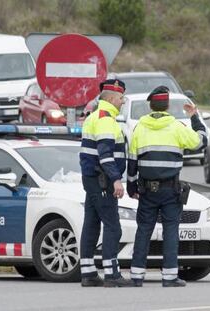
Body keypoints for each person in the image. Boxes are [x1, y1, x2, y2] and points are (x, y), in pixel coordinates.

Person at [127, 86, 207, 287]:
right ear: (168, 106)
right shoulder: (177, 127)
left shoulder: (139, 128)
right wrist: (195, 117)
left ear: (150, 105)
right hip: (170, 190)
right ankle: (170, 276)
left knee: (144, 230)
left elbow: (132, 161)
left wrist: (131, 186)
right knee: (171, 230)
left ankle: (137, 275)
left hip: (146, 189)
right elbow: (201, 142)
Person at [79, 79, 133, 287]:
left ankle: (89, 273)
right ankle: (112, 274)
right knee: (112, 226)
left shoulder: (95, 116)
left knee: (92, 224)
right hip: (102, 180)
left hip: (93, 178)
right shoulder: (105, 119)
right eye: (121, 98)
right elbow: (105, 153)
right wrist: (116, 179)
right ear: (111, 98)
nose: (123, 102)